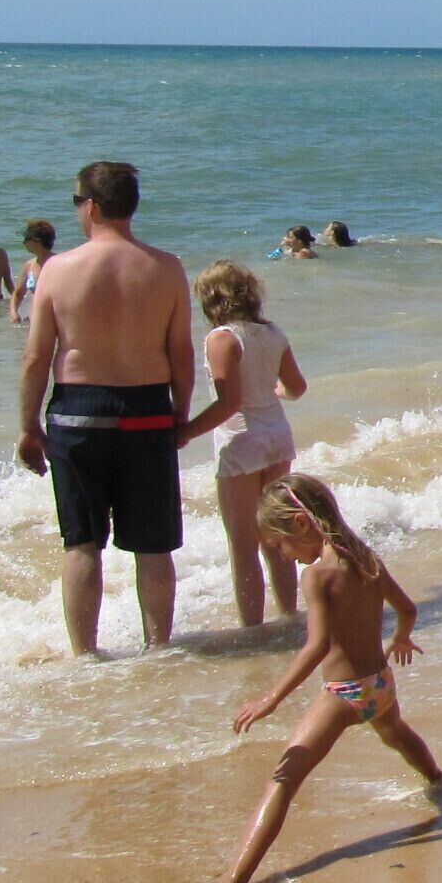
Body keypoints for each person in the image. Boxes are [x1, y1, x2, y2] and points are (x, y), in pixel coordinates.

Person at [221, 474, 442, 883]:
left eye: (280, 545)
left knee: (283, 779)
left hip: (343, 695)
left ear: (300, 523)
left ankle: (233, 881)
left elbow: (317, 646)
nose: (285, 556)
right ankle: (439, 781)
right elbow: (407, 608)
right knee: (395, 734)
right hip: (379, 685)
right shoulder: (367, 559)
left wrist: (271, 698)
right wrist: (401, 638)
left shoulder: (317, 576)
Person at [15, 161, 192, 656]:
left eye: (76, 202)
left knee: (82, 544)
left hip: (78, 412)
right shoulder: (167, 267)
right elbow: (180, 354)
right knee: (153, 546)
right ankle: (159, 649)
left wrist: (28, 426)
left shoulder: (58, 269)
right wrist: (180, 415)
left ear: (91, 207)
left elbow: (36, 358)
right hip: (148, 408)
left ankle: (85, 656)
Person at [178, 260, 309, 627]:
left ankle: (252, 627)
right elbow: (297, 388)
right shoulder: (272, 332)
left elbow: (228, 403)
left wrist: (184, 432)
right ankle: (289, 615)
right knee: (276, 535)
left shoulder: (222, 338)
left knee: (242, 544)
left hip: (241, 441)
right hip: (277, 436)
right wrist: (271, 392)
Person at [9, 218, 56, 325]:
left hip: (53, 321)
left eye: (26, 239)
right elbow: (18, 293)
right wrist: (14, 312)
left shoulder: (59, 263)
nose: (23, 243)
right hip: (32, 321)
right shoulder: (29, 265)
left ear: (36, 241)